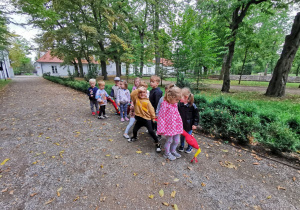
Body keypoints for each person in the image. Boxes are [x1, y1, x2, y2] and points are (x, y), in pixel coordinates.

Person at [129, 85, 161, 153]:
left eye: (144, 92)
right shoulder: (136, 99)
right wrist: (138, 90)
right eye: (140, 92)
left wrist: (153, 118)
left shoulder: (147, 102)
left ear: (146, 93)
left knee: (151, 131)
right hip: (139, 119)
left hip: (146, 119)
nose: (142, 94)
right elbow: (132, 94)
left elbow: (152, 110)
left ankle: (157, 142)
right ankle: (134, 137)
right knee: (135, 130)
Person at [157, 86, 183, 161]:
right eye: (176, 99)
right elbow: (161, 117)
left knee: (177, 140)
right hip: (168, 127)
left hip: (176, 126)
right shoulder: (164, 104)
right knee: (169, 140)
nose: (177, 101)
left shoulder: (174, 103)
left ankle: (173, 150)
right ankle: (167, 153)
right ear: (170, 97)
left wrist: (179, 123)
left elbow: (176, 114)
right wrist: (161, 128)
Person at [178, 87, 199, 153]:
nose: (179, 98)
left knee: (189, 138)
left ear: (186, 97)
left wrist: (195, 124)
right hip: (182, 125)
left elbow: (196, 116)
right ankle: (182, 145)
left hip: (189, 125)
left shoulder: (192, 106)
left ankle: (190, 147)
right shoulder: (180, 105)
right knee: (182, 136)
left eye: (180, 96)